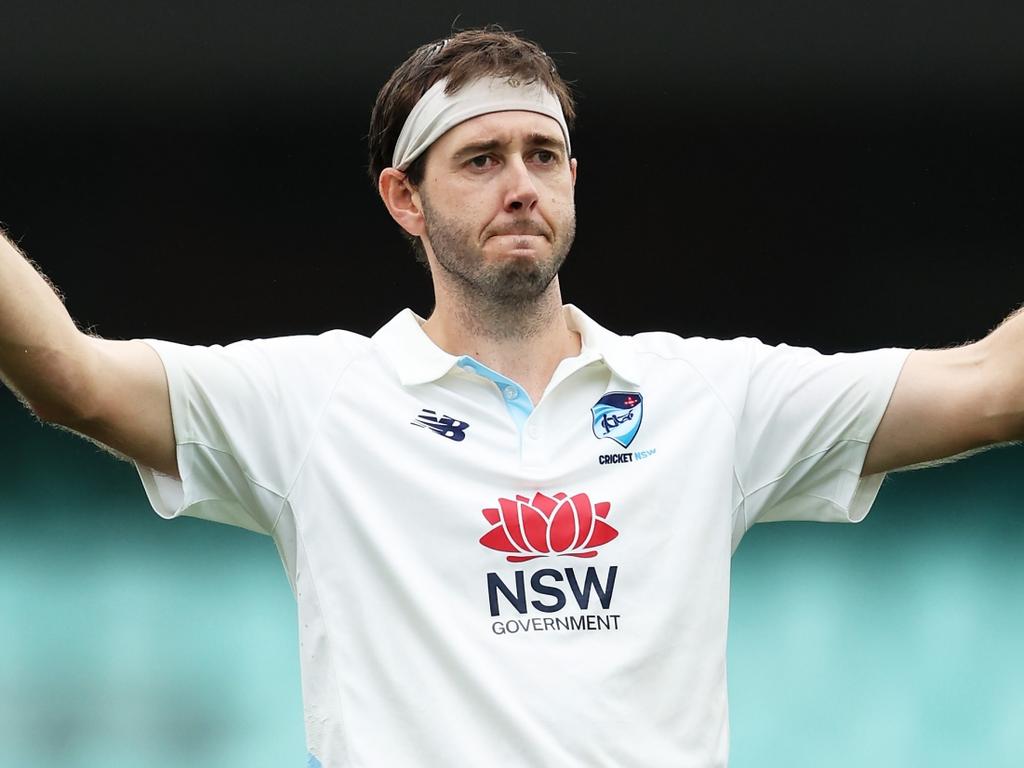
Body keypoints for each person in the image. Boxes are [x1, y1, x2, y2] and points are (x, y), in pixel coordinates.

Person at [1, 26, 1021, 768]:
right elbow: (71, 379)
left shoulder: (707, 395)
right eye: (480, 160)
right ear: (404, 198)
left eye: (540, 157)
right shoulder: (312, 400)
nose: (520, 185)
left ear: (573, 178)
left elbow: (988, 387)